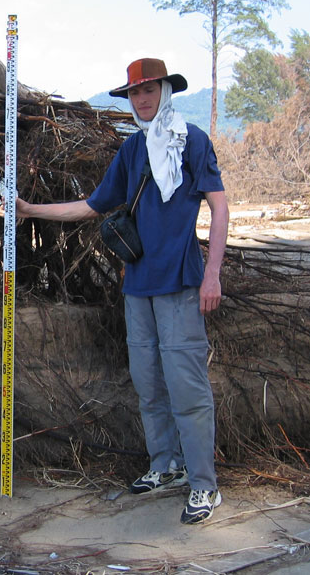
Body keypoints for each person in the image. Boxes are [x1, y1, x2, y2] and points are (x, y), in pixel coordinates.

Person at [14, 58, 229, 524]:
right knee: (148, 382)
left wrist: (213, 273)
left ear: (165, 91)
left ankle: (204, 486)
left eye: (149, 90)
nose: (142, 99)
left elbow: (219, 205)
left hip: (182, 285)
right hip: (138, 288)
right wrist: (32, 210)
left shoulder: (191, 141)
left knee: (187, 387)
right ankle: (165, 465)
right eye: (134, 93)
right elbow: (92, 206)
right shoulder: (133, 151)